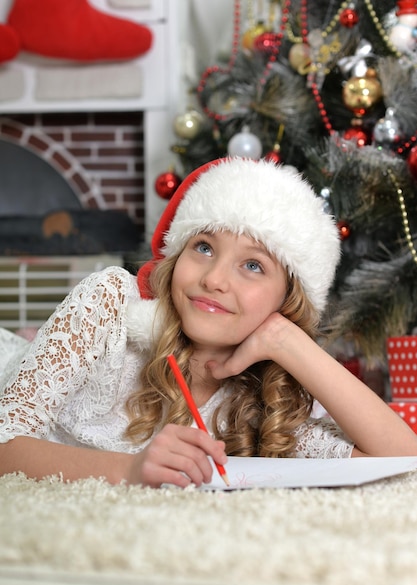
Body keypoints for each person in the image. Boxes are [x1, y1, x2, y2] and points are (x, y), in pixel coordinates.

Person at [0, 157, 416, 488]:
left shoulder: (260, 401)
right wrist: (130, 472)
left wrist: (286, 340)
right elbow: (5, 444)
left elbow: (404, 461)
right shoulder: (110, 303)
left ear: (287, 299)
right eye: (203, 246)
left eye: (253, 265)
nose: (214, 279)